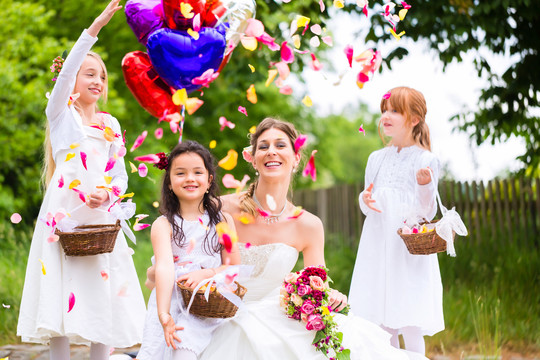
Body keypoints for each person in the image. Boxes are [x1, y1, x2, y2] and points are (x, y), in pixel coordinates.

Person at [193, 117, 426, 359]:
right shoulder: (220, 209)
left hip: (277, 318)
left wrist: (330, 296)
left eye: (280, 145)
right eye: (263, 146)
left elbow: (316, 285)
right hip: (219, 317)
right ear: (253, 159)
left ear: (296, 159)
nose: (271, 151)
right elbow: (186, 253)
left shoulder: (309, 225)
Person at [17, 1, 146, 359]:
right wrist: (96, 26)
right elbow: (71, 64)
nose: (96, 80)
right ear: (70, 80)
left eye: (101, 76)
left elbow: (119, 175)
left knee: (102, 291)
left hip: (99, 216)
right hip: (63, 214)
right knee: (59, 290)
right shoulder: (60, 115)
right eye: (89, 73)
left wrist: (106, 195)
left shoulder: (110, 124)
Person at [348, 86, 444, 355]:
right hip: (378, 246)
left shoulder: (426, 159)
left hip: (406, 251)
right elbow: (368, 203)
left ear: (414, 119)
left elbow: (426, 212)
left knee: (409, 315)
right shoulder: (376, 158)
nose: (385, 116)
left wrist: (425, 185)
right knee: (381, 320)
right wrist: (364, 200)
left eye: (394, 111)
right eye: (384, 111)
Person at [137, 141, 240, 360]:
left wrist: (206, 273)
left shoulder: (224, 221)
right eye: (181, 173)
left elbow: (233, 266)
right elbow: (164, 268)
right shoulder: (163, 225)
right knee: (161, 349)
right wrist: (163, 313)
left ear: (209, 180)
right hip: (172, 299)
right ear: (170, 182)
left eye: (197, 172)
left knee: (184, 349)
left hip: (208, 302)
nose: (190, 178)